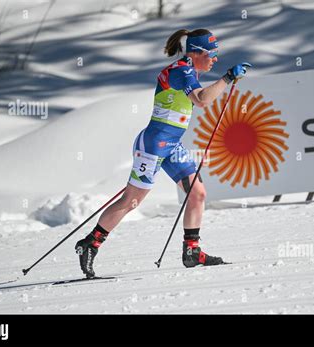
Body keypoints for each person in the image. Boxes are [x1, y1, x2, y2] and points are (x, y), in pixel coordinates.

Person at [75, 28, 251, 278]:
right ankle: (90, 244)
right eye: (212, 54)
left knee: (198, 193)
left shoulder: (189, 71)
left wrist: (227, 78)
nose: (215, 59)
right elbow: (201, 100)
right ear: (197, 52)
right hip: (154, 146)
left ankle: (191, 251)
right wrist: (228, 77)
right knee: (131, 202)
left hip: (172, 146)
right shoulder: (182, 71)